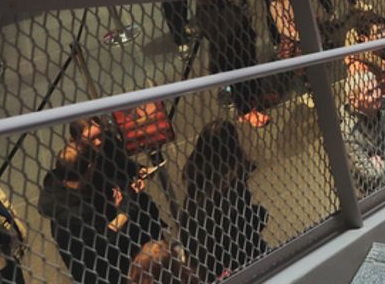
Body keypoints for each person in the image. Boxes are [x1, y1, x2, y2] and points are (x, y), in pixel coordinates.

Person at [39, 142, 163, 284]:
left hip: (103, 254)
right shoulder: (71, 213)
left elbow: (108, 198)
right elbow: (105, 236)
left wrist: (117, 206)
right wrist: (124, 211)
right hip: (99, 269)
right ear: (89, 167)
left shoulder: (67, 183)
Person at [178, 121, 269, 279]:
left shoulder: (197, 185)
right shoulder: (233, 185)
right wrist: (260, 215)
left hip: (207, 264)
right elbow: (243, 232)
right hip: (236, 259)